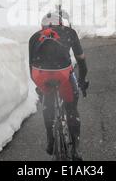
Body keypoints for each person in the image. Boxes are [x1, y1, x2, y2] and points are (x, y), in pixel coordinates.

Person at [28, 12, 88, 160]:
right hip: (63, 74)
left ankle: (50, 140)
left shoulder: (34, 37)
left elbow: (31, 67)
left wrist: (39, 87)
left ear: (42, 26)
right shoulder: (69, 32)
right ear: (61, 24)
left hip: (41, 75)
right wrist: (82, 80)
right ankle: (75, 149)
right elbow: (81, 61)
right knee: (71, 109)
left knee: (47, 102)